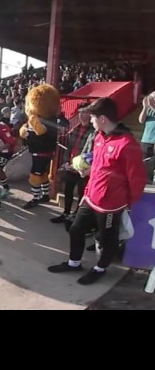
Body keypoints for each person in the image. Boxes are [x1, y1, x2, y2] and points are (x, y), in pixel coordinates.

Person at [48, 97, 147, 285]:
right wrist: (87, 172)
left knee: (106, 239)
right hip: (91, 196)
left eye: (92, 117)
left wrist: (126, 203)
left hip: (111, 204)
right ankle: (74, 262)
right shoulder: (100, 137)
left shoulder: (127, 144)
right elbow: (101, 166)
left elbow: (137, 178)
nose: (89, 120)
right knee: (75, 229)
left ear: (102, 118)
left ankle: (100, 268)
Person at [51, 103, 96, 224]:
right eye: (80, 112)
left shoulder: (94, 131)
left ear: (90, 114)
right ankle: (66, 213)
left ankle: (76, 216)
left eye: (84, 112)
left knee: (82, 193)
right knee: (68, 191)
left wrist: (80, 166)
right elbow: (68, 148)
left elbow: (91, 153)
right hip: (70, 166)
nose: (81, 115)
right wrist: (66, 162)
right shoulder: (75, 128)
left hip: (83, 168)